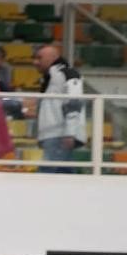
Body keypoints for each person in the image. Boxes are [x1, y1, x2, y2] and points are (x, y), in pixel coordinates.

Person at [34, 45, 86, 173]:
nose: (35, 62)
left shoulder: (67, 74)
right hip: (54, 135)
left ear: (52, 57)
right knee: (64, 174)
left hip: (59, 135)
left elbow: (74, 103)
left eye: (39, 58)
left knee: (47, 174)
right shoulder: (50, 79)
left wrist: (70, 132)